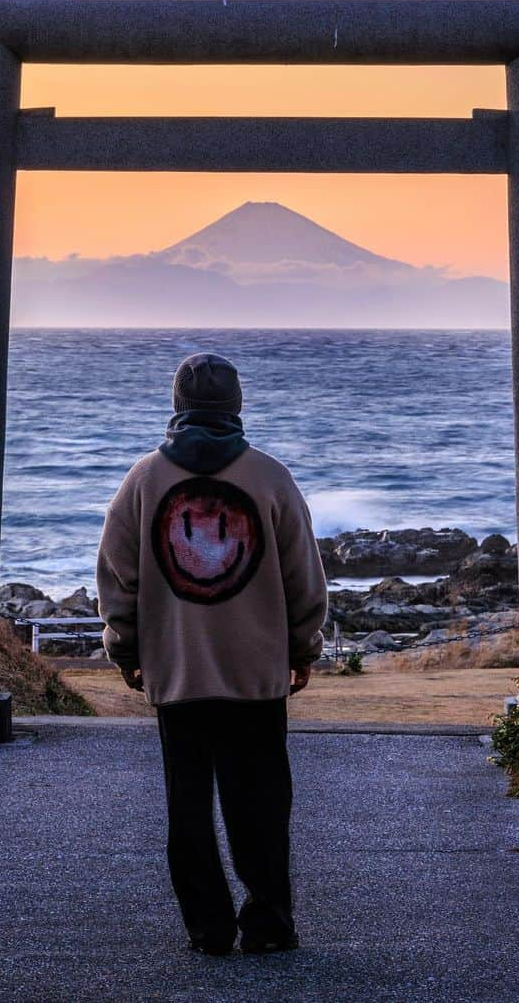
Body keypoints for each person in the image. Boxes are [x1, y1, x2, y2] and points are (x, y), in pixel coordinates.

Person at [95, 351, 328, 957]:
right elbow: (305, 576)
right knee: (262, 804)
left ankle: (208, 927)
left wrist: (127, 650)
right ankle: (270, 923)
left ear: (177, 406)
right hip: (255, 674)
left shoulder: (143, 480)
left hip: (177, 671)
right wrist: (303, 648)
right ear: (237, 407)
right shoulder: (271, 477)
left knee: (188, 809)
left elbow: (117, 576)